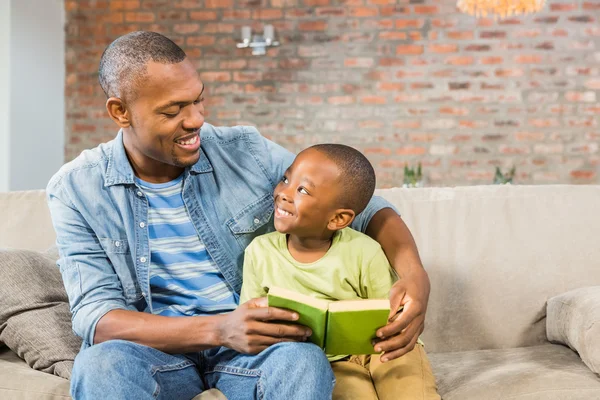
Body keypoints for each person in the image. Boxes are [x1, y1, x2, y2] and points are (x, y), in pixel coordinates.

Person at [47, 31, 431, 399]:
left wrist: (415, 276)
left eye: (198, 100)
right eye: (173, 110)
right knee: (100, 366)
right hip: (157, 352)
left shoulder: (245, 150)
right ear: (120, 112)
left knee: (302, 360)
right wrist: (219, 329)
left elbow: (365, 210)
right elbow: (97, 317)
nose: (196, 119)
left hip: (253, 349)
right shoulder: (76, 188)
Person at [239, 144, 440, 400]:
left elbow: (387, 312)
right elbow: (251, 318)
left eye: (302, 190)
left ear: (338, 219)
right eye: (286, 179)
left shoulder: (364, 250)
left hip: (384, 350)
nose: (284, 194)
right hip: (329, 362)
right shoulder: (259, 252)